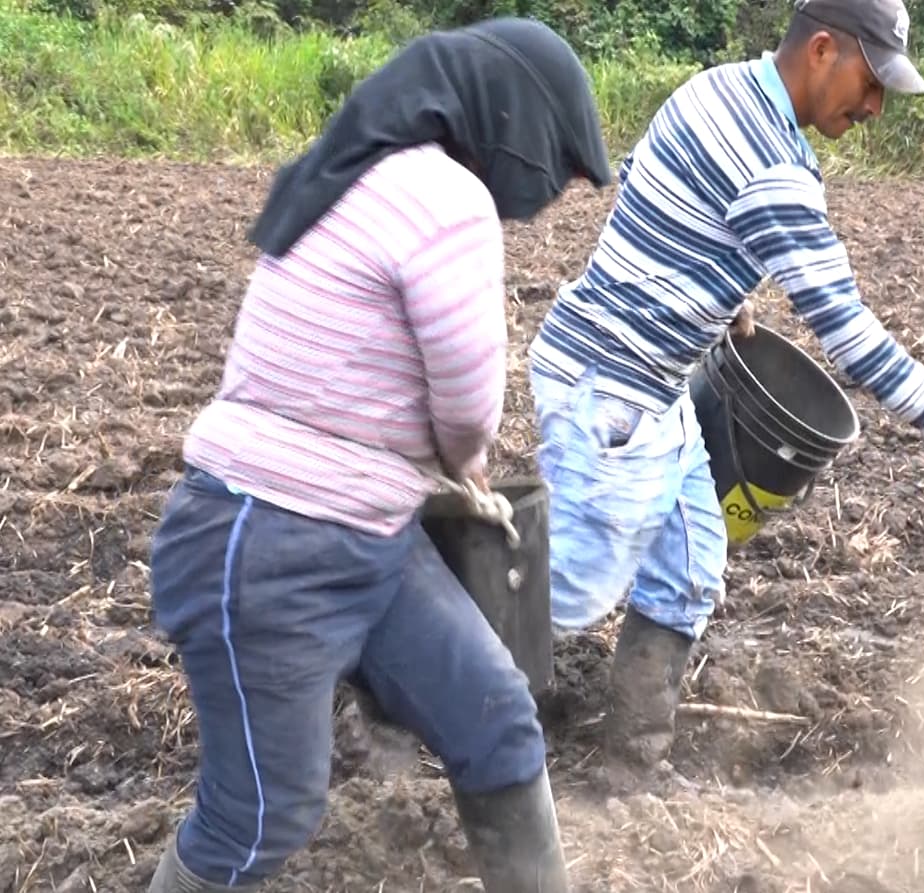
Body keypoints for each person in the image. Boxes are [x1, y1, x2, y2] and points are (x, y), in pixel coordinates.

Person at [143, 18, 611, 893]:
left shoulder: (365, 173)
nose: (549, 194)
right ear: (517, 123)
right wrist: (465, 460)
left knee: (498, 719)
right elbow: (469, 404)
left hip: (369, 535)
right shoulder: (445, 196)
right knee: (260, 815)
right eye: (560, 164)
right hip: (267, 540)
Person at [526, 0, 924, 790]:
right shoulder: (777, 167)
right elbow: (849, 332)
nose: (872, 109)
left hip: (649, 391)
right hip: (611, 390)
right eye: (870, 85)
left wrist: (721, 293)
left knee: (691, 566)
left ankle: (631, 768)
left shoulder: (713, 88)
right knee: (565, 590)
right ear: (824, 49)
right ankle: (403, 696)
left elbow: (652, 185)